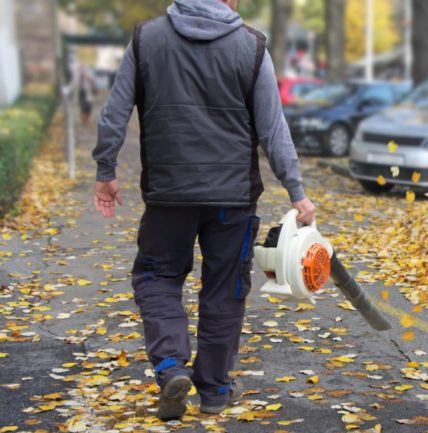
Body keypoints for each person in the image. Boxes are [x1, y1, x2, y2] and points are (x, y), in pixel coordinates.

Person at [91, 0, 316, 420]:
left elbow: (115, 112)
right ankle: (214, 389)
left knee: (157, 278)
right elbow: (272, 127)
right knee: (225, 289)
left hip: (167, 195)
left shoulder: (146, 38)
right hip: (232, 199)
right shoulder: (251, 46)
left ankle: (171, 366)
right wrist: (296, 191)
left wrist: (106, 169)